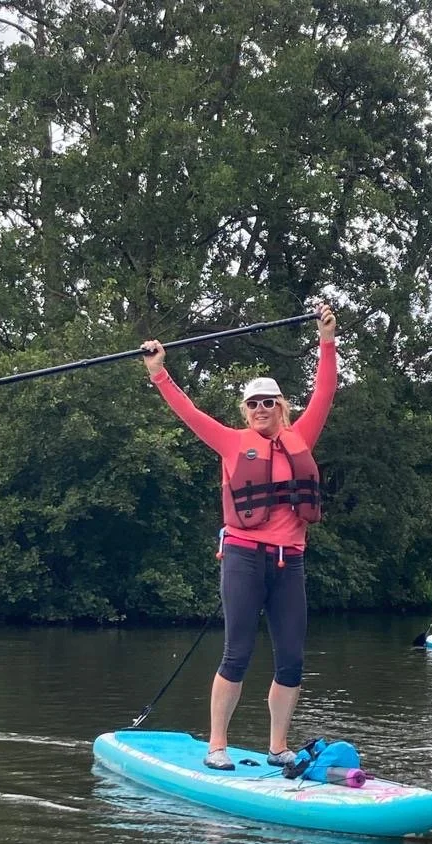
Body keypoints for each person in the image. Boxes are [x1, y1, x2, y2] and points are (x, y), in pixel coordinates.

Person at [141, 304, 337, 770]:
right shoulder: (231, 441)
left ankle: (277, 747)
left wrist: (327, 341)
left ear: (281, 407)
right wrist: (158, 372)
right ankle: (217, 747)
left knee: (291, 659)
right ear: (245, 411)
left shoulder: (301, 437)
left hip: (291, 561)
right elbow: (187, 413)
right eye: (253, 403)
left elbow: (325, 391)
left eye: (269, 401)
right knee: (238, 652)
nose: (261, 408)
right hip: (244, 557)